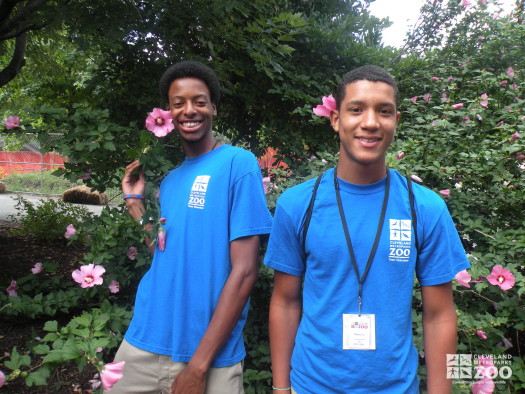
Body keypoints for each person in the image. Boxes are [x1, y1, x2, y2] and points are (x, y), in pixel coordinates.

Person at [264, 65, 470, 393]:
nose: (371, 122)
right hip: (310, 385)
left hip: (395, 386)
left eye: (384, 111)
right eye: (356, 109)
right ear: (336, 119)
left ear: (396, 122)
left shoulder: (425, 208)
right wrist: (280, 388)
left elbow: (439, 315)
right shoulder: (297, 204)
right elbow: (285, 301)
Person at [110, 60, 273, 394]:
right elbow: (162, 249)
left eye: (199, 101)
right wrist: (134, 203)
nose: (189, 110)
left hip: (212, 358)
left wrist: (198, 366)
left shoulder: (237, 164)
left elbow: (244, 272)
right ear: (167, 113)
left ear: (213, 107)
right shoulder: (169, 181)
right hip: (144, 339)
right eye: (178, 103)